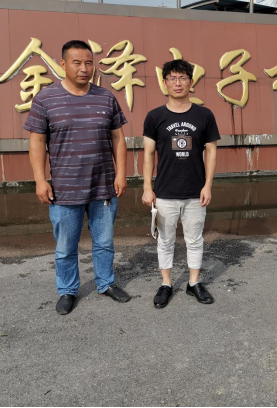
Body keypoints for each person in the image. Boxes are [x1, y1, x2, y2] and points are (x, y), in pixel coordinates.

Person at [24, 40, 131, 315]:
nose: (84, 68)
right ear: (63, 64)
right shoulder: (46, 98)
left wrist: (121, 174)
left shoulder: (106, 97)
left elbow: (118, 139)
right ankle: (68, 290)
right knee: (65, 247)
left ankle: (106, 283)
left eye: (88, 63)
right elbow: (37, 142)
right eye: (77, 63)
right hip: (64, 189)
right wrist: (40, 179)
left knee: (104, 243)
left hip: (103, 186)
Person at [142, 59, 220, 309]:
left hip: (195, 191)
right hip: (165, 192)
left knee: (194, 239)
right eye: (172, 79)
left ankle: (193, 282)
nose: (178, 83)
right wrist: (147, 187)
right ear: (164, 83)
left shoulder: (204, 115)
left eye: (183, 78)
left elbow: (211, 151)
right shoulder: (155, 117)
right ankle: (166, 284)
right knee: (165, 240)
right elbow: (148, 154)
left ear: (191, 82)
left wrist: (208, 185)